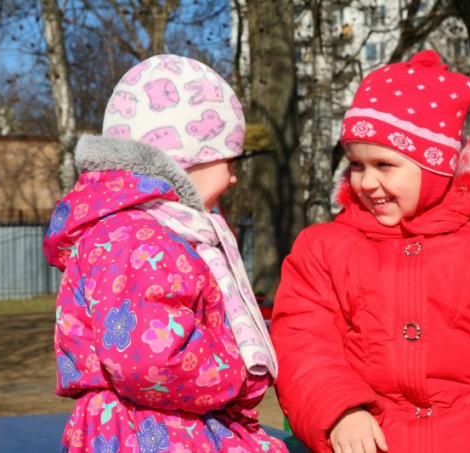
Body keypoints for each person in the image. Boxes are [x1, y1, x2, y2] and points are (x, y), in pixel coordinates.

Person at [270, 50, 470, 453]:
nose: (366, 182)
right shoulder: (324, 247)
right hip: (368, 440)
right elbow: (302, 340)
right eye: (356, 165)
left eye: (384, 165)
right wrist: (340, 410)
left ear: (435, 168)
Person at [43, 54, 288, 452]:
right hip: (154, 435)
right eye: (227, 160)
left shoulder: (139, 232)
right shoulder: (142, 241)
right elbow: (148, 362)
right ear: (187, 161)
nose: (232, 175)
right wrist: (237, 372)